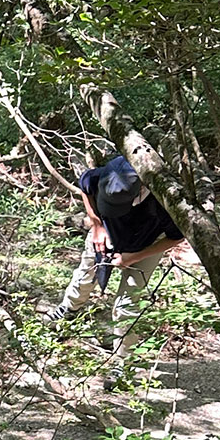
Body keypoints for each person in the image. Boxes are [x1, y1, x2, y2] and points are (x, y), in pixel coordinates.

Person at [54, 152, 184, 362]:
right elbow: (85, 186)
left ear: (140, 191)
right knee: (86, 274)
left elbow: (176, 237)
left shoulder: (165, 201)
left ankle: (122, 362)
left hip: (148, 243)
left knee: (126, 304)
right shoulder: (108, 173)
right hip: (105, 233)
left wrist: (133, 257)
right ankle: (67, 310)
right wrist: (96, 224)